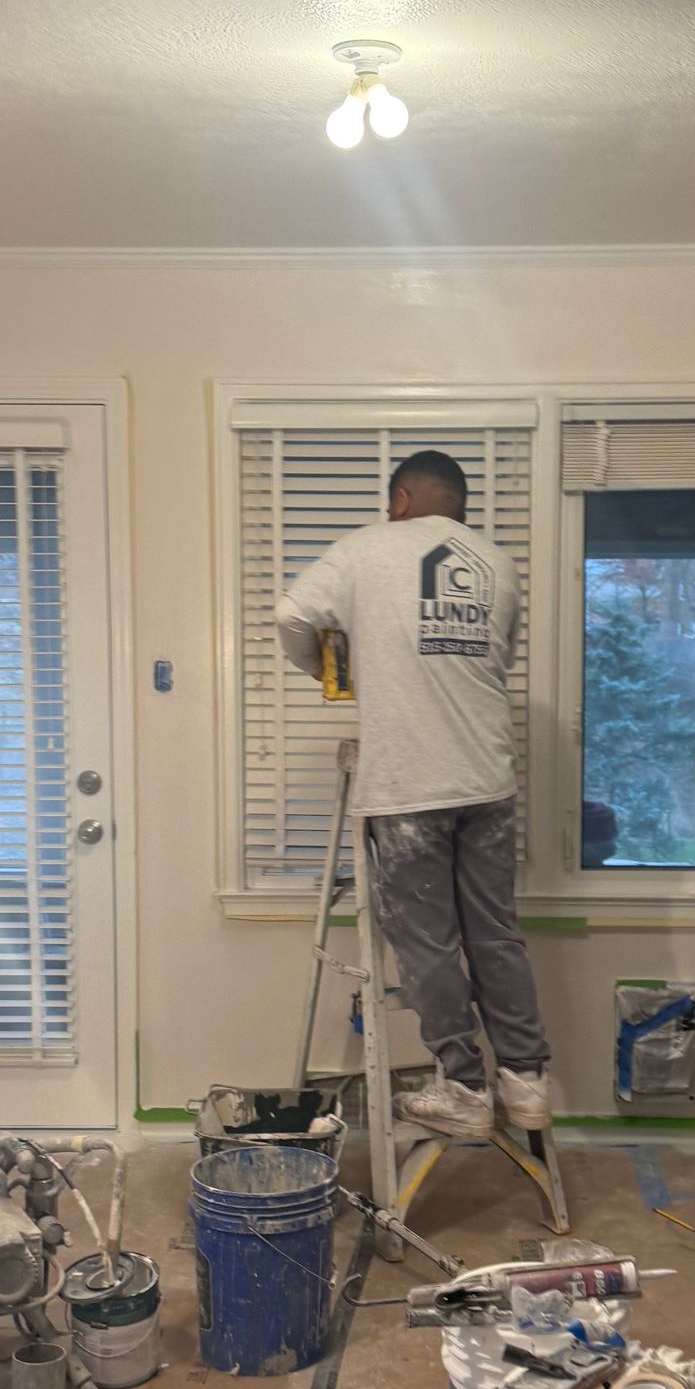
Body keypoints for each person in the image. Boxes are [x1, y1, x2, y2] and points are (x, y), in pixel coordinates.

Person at [275, 448, 552, 1141]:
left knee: (428, 942)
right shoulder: (497, 563)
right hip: (488, 779)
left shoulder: (365, 549)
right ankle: (525, 1082)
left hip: (409, 784)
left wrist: (329, 674)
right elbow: (497, 658)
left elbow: (291, 618)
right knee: (494, 932)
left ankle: (462, 1086)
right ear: (460, 506)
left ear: (399, 500)